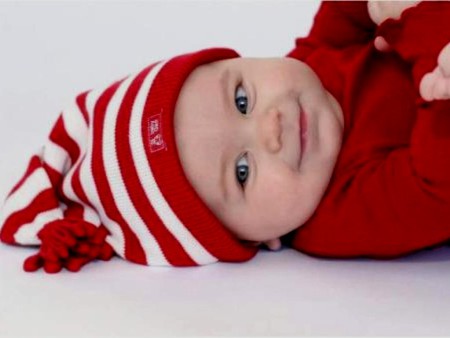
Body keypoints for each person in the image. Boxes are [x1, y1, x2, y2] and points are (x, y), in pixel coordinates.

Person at [1, 1, 450, 273]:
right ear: (258, 239)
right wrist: (419, 22)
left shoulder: (309, 62)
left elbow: (347, 10)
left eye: (241, 100)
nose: (271, 128)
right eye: (241, 171)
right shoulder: (335, 215)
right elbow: (438, 182)